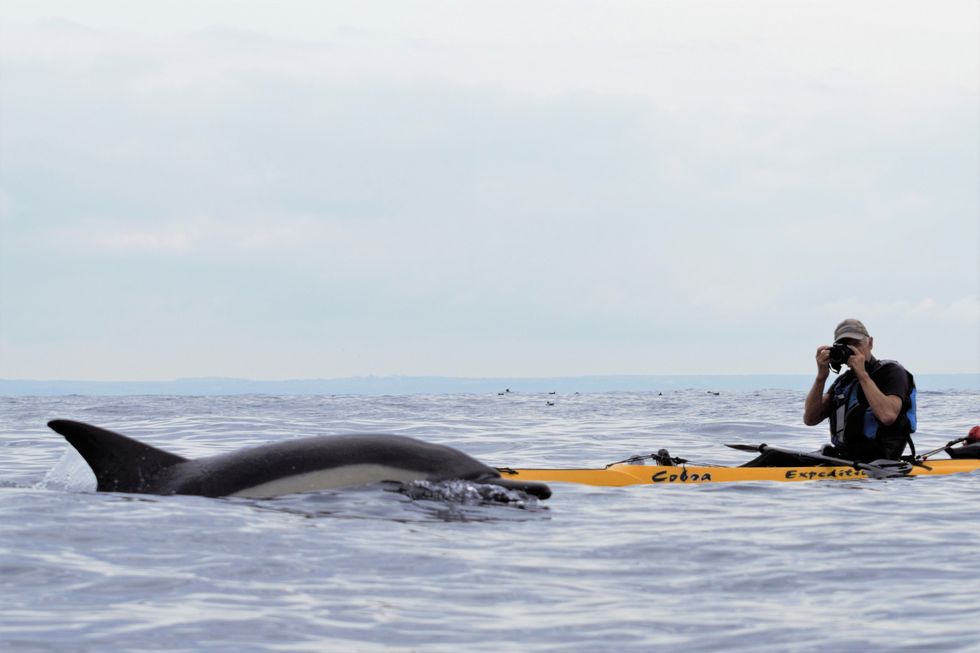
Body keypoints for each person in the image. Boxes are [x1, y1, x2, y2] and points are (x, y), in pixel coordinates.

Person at [803, 319, 916, 462]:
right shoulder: (844, 381)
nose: (851, 350)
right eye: (845, 345)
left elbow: (888, 415)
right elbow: (810, 419)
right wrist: (821, 377)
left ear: (870, 343)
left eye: (855, 344)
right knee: (772, 457)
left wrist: (862, 374)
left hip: (881, 463)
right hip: (844, 459)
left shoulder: (892, 372)